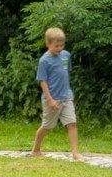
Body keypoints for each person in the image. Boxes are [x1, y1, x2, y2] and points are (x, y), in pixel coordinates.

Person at [30, 27, 79, 159]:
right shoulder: (44, 61)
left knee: (72, 123)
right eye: (56, 46)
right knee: (47, 126)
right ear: (48, 43)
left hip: (66, 96)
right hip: (51, 99)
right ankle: (35, 150)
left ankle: (75, 153)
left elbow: (65, 72)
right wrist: (50, 100)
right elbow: (43, 81)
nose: (59, 48)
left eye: (62, 45)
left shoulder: (66, 55)